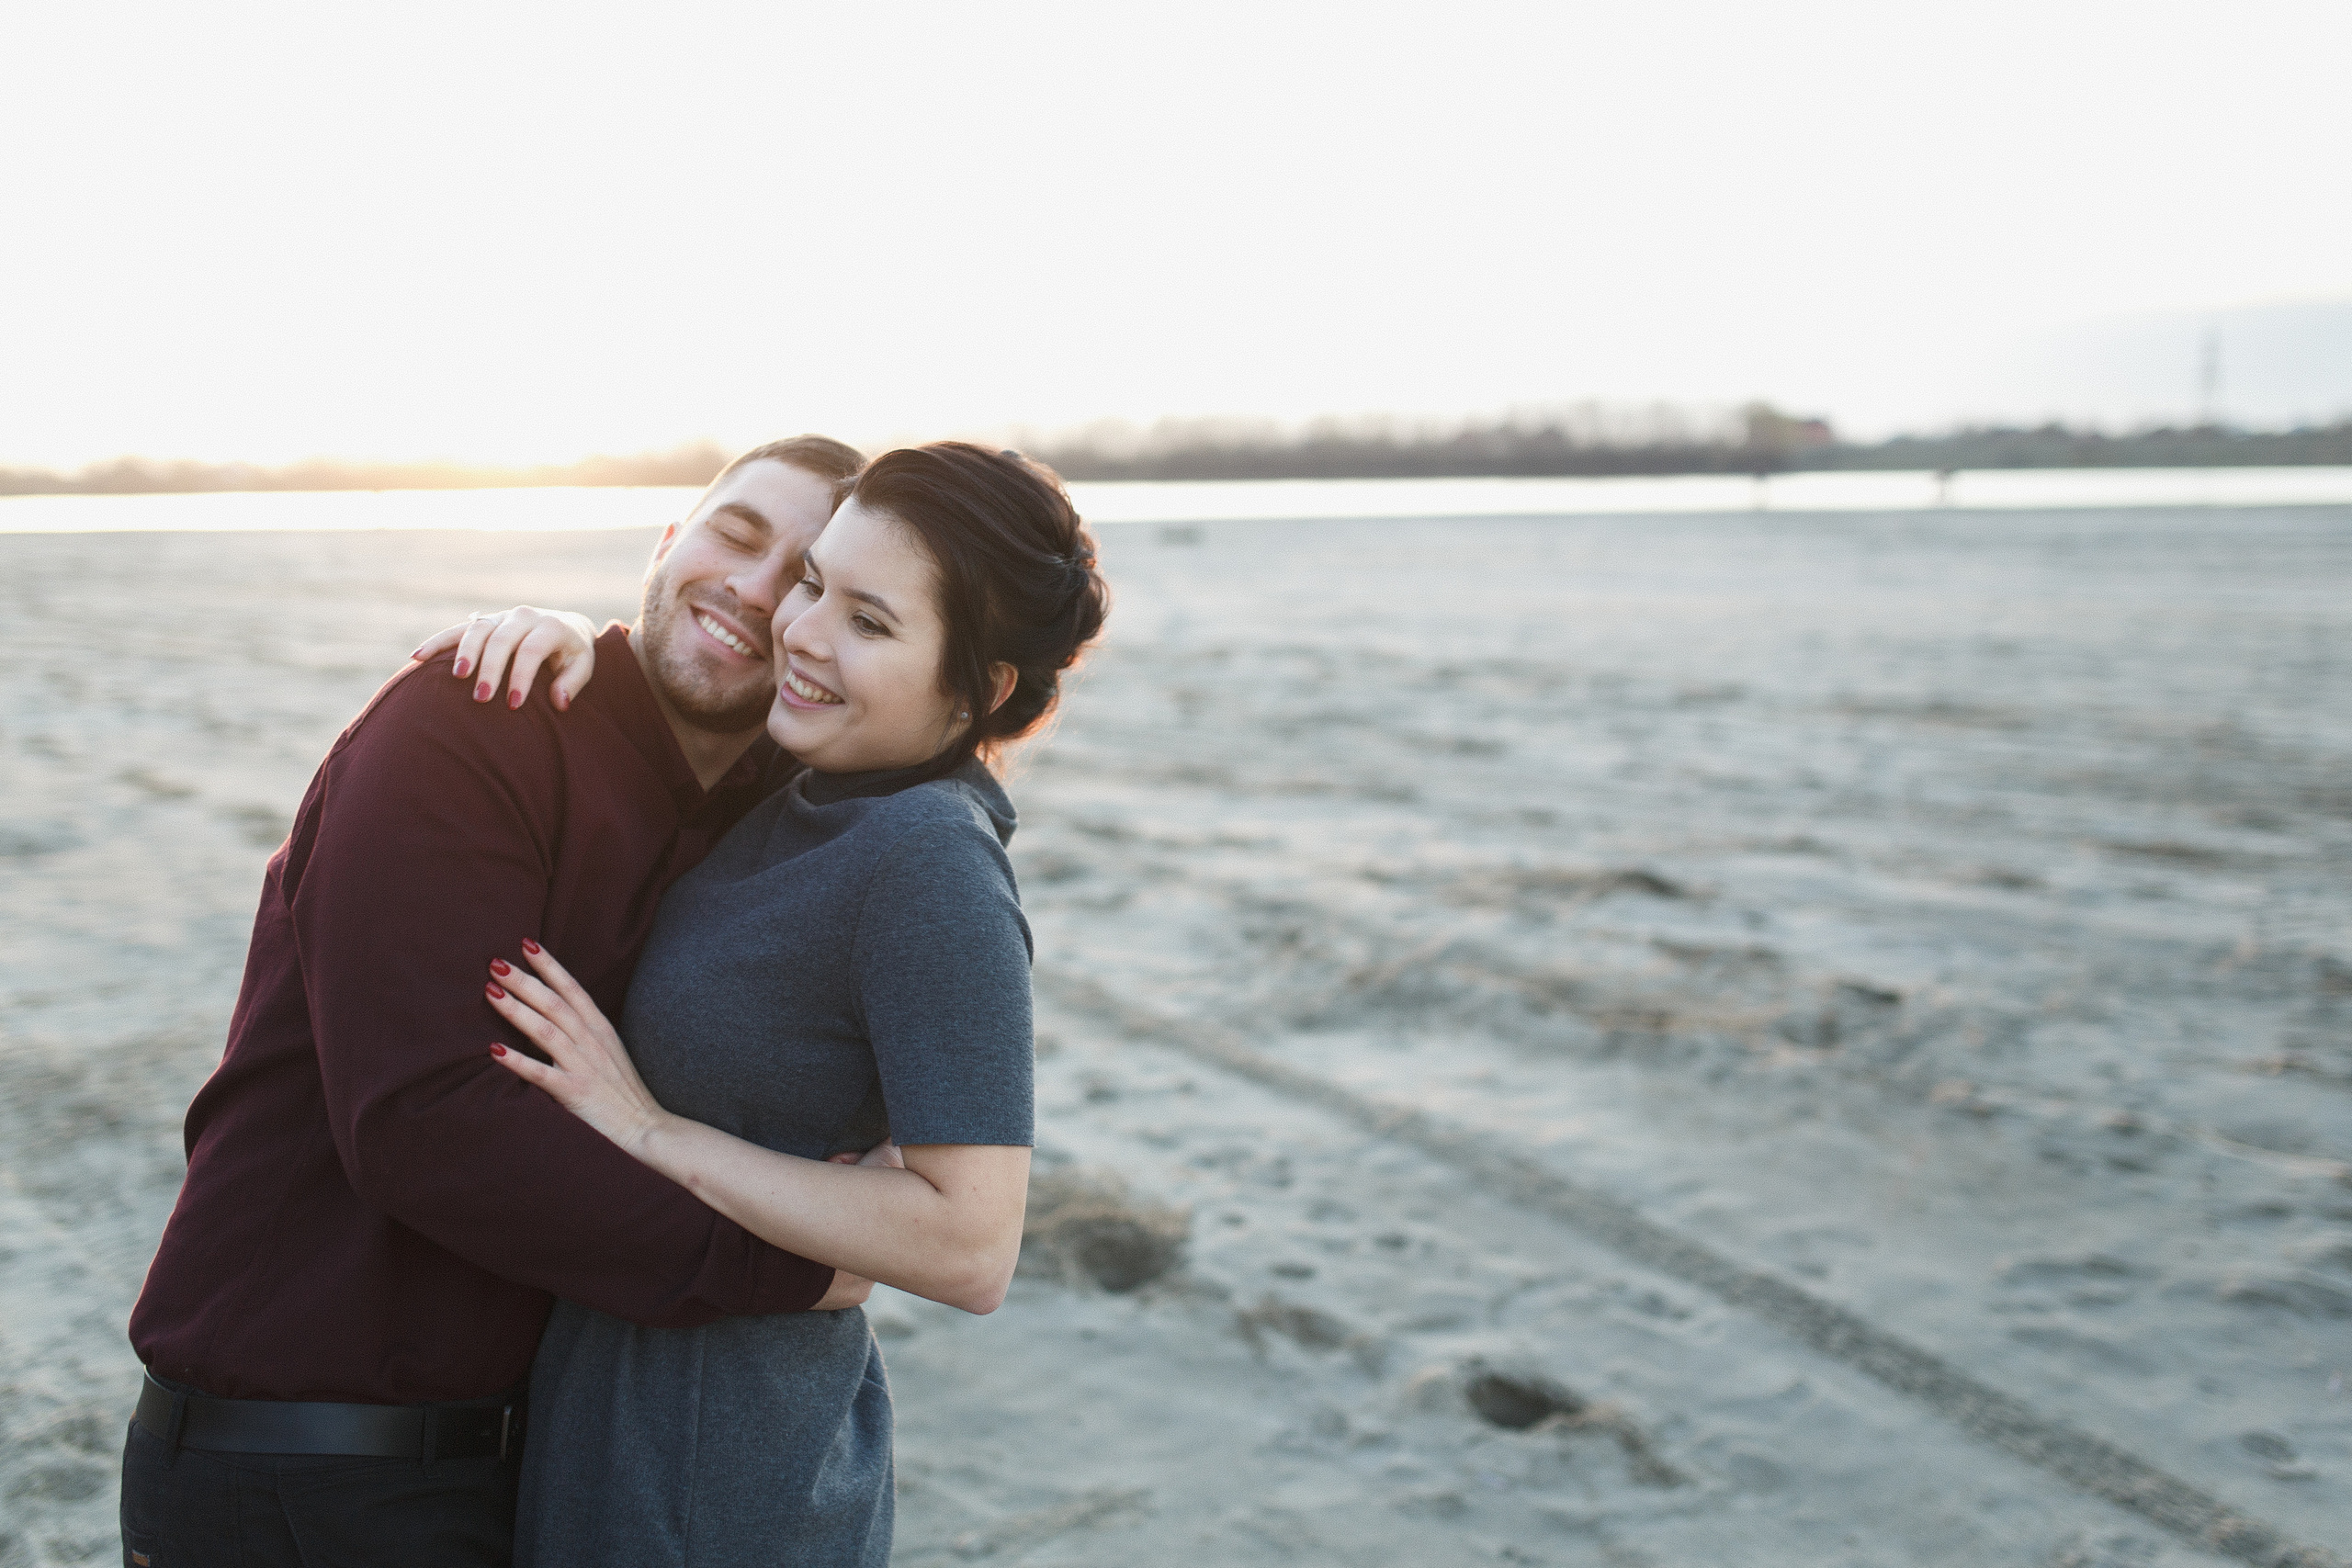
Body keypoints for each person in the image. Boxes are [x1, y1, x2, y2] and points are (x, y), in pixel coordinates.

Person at [119, 435, 874, 1568]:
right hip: (301, 1471)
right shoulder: (472, 719)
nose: (756, 590)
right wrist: (792, 1262)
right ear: (669, 542)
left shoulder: (765, 823)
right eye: (737, 532)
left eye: (810, 579)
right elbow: (425, 1123)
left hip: (527, 1469)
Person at [440, 442, 1108, 1566]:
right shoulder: (811, 788)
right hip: (616, 1414)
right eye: (815, 583)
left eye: (871, 622)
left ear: (981, 687)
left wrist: (655, 1132)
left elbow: (969, 1242)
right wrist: (576, 644)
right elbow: (682, 693)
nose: (800, 630)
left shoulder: (928, 860)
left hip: (723, 1469)